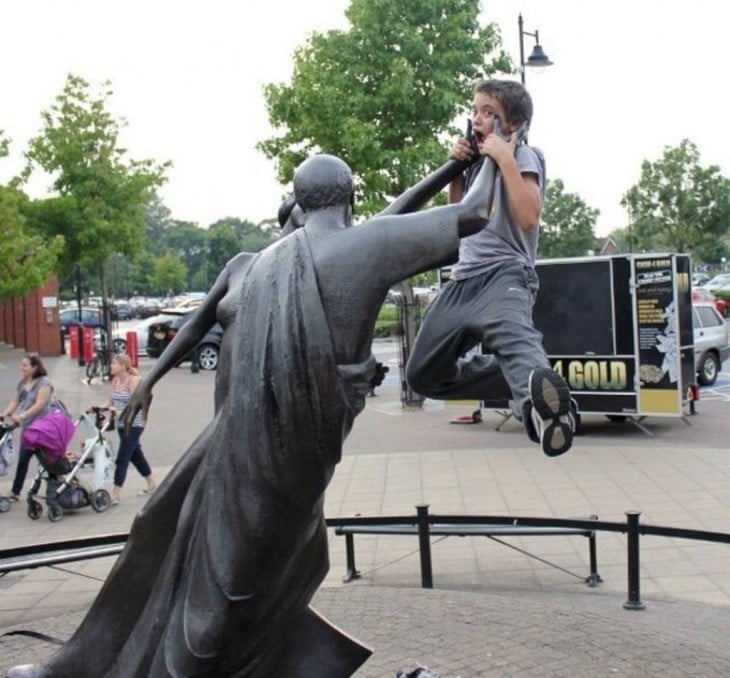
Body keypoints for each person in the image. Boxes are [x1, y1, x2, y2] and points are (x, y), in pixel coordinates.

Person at [7, 151, 493, 678]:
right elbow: (442, 217)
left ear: (301, 205)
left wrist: (463, 161)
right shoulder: (260, 265)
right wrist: (495, 148)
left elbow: (400, 220)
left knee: (231, 584)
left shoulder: (328, 254)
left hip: (276, 455)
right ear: (346, 201)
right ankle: (75, 666)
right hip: (232, 435)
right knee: (156, 527)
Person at [406, 78, 575, 457]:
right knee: (422, 374)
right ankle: (528, 382)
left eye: (489, 112)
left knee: (515, 338)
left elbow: (529, 216)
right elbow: (460, 218)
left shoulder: (525, 157)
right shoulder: (474, 168)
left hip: (504, 274)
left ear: (512, 126)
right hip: (463, 281)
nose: (477, 118)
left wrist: (504, 158)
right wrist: (456, 167)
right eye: (475, 110)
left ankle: (546, 412)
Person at [124, 195, 306, 419]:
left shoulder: (307, 275)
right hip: (227, 415)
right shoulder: (241, 265)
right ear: (298, 213)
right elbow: (195, 327)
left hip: (274, 415)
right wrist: (149, 380)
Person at [91, 353, 155, 504]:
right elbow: (111, 400)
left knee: (123, 456)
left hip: (134, 423)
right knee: (135, 454)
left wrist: (120, 412)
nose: (111, 366)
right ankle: (151, 483)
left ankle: (115, 493)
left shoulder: (133, 381)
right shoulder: (115, 381)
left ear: (123, 366)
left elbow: (137, 402)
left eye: (114, 364)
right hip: (121, 424)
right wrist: (99, 408)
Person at [0, 354, 54, 500]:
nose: (21, 368)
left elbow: (39, 404)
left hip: (42, 429)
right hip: (28, 430)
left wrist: (22, 416)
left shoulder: (44, 384)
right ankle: (15, 492)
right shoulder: (23, 383)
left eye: (25, 365)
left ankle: (57, 486)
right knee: (23, 459)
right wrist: (5, 413)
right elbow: (16, 400)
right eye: (21, 365)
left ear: (34, 368)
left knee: (47, 461)